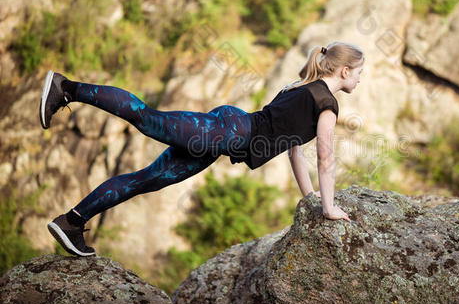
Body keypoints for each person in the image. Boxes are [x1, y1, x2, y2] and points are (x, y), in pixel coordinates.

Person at [43, 41, 365, 257]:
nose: (361, 79)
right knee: (146, 118)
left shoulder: (301, 86)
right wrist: (328, 207)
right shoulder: (326, 104)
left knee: (147, 179)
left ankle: (72, 222)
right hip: (226, 132)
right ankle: (66, 88)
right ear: (345, 70)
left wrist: (310, 198)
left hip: (223, 136)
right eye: (360, 72)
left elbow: (294, 149)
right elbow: (325, 158)